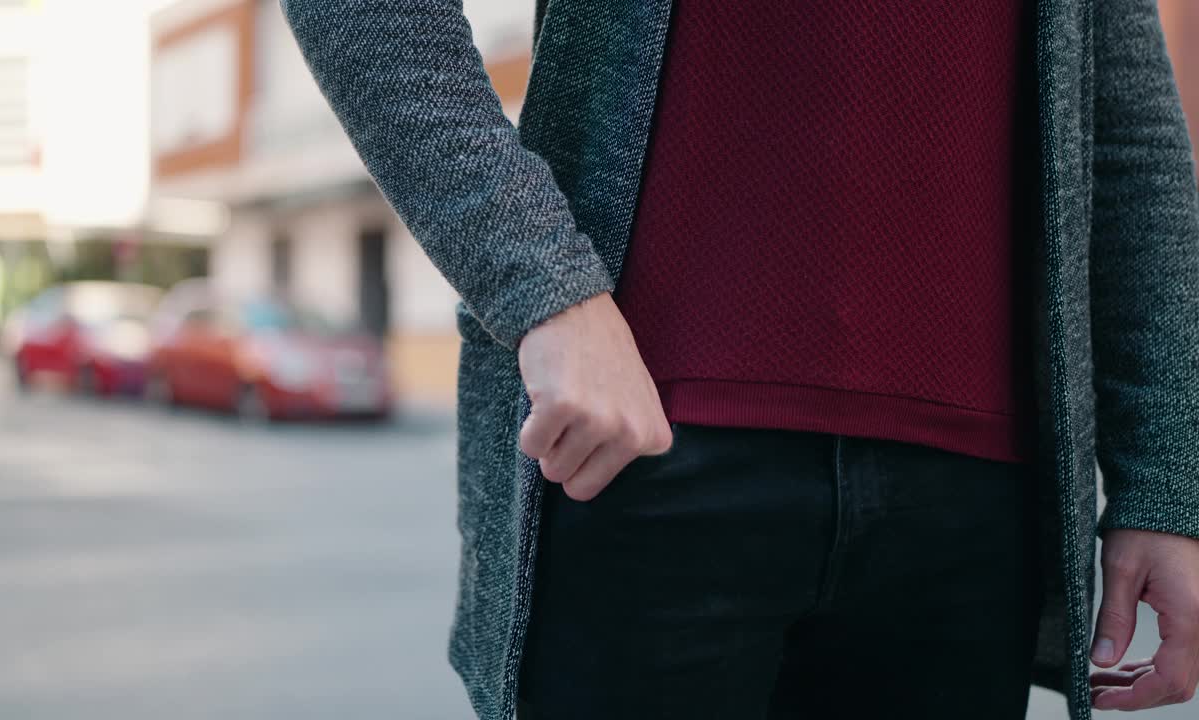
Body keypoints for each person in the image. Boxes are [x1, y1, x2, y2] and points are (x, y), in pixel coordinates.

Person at [280, 1, 1199, 718]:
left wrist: (1166, 474)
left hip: (972, 501)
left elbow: (1127, 136)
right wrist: (545, 295)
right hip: (644, 456)